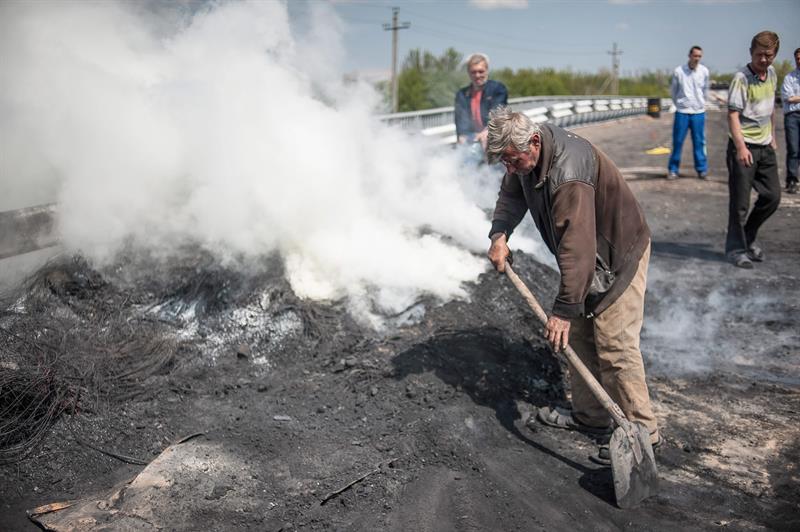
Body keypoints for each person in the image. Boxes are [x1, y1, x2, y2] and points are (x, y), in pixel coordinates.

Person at [485, 106, 659, 464]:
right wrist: (500, 233)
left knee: (614, 344)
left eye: (512, 161)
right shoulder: (527, 157)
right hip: (587, 257)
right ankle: (591, 418)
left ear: (533, 141)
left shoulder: (568, 174)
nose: (510, 169)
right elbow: (512, 193)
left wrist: (563, 310)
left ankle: (644, 435)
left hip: (617, 254)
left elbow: (577, 248)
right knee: (577, 337)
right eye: (504, 162)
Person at [725, 31, 781, 269]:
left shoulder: (772, 75)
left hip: (765, 146)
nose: (764, 60)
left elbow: (770, 109)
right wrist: (740, 147)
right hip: (744, 147)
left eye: (769, 55)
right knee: (740, 203)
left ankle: (747, 236)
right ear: (751, 53)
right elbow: (733, 115)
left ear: (775, 54)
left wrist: (773, 137)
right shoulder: (742, 78)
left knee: (772, 196)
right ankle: (736, 249)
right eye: (759, 55)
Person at [667, 46, 710, 180]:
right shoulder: (679, 71)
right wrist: (679, 104)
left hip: (698, 112)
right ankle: (673, 169)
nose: (697, 58)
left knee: (699, 142)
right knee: (677, 141)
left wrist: (702, 104)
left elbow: (706, 90)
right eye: (695, 56)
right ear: (689, 56)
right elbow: (674, 91)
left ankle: (702, 169)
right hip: (682, 112)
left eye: (699, 56)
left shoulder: (704, 71)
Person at [454, 53, 508, 150]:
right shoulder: (462, 94)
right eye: (473, 72)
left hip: (494, 138)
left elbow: (498, 113)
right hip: (472, 138)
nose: (477, 75)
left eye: (481, 71)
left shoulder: (498, 89)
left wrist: (488, 131)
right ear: (468, 72)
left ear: (487, 71)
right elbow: (460, 119)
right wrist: (462, 135)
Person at [781, 48, 800, 194]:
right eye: (797, 58)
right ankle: (792, 180)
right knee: (793, 149)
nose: (799, 60)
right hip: (792, 116)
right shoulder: (789, 78)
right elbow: (789, 98)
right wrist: (794, 98)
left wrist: (796, 97)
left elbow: (794, 97)